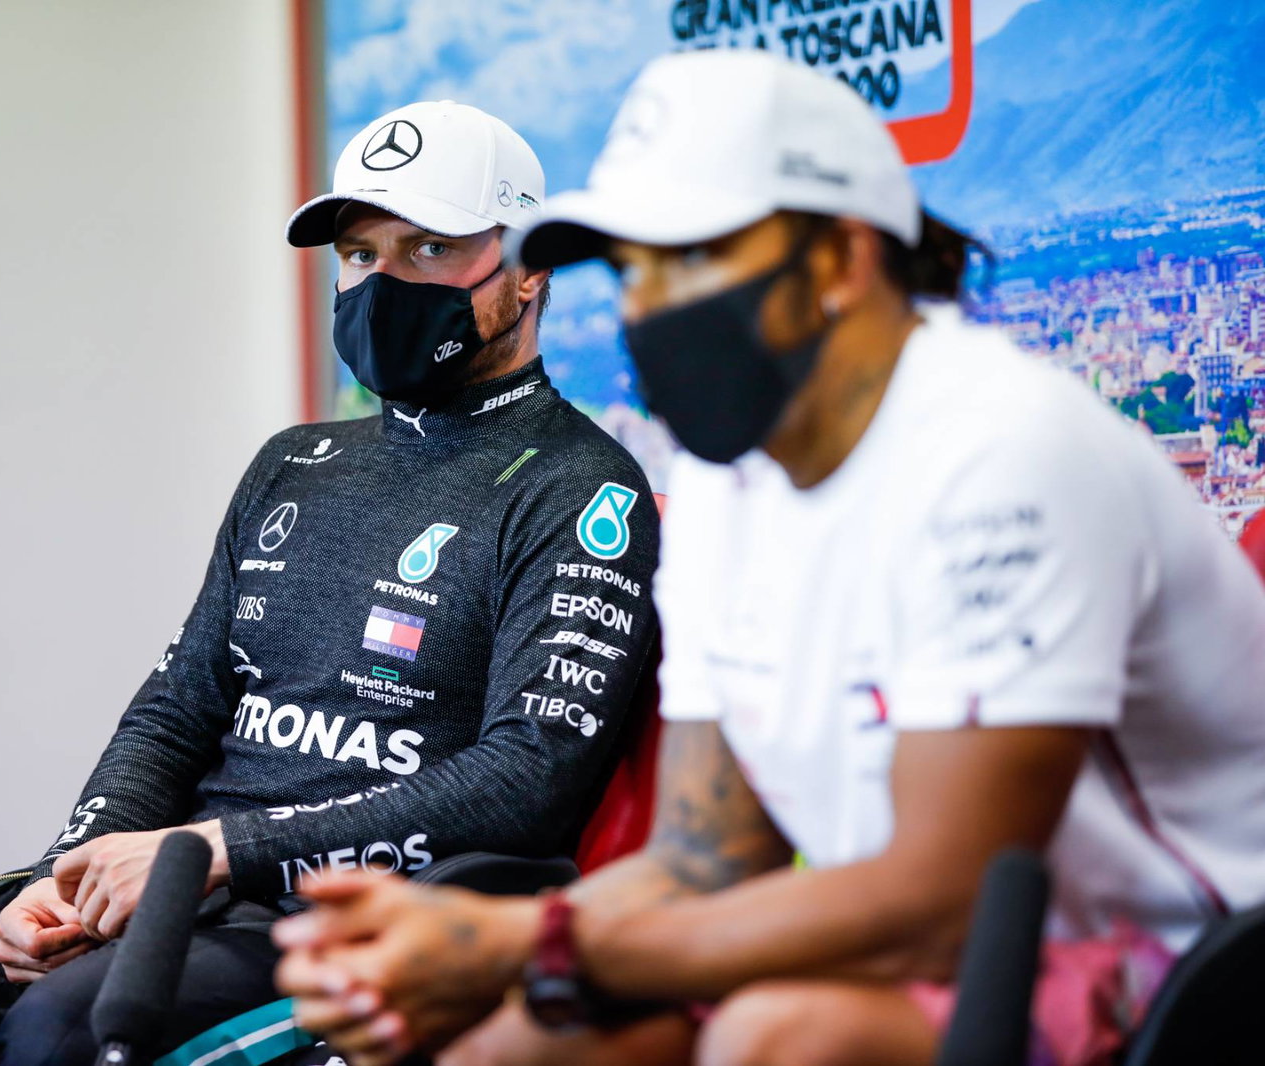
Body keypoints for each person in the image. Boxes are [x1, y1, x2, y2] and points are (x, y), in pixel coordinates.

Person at [273, 51, 1265, 1066]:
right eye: (632, 272)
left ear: (838, 258)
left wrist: (521, 940)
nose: (651, 305)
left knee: (773, 1039)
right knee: (512, 1045)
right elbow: (706, 857)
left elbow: (946, 901)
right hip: (896, 949)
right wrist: (448, 963)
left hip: (1188, 965)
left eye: (691, 258)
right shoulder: (724, 480)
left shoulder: (1004, 446)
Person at [0, 100, 660, 1066]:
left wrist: (223, 847)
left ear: (526, 268)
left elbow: (525, 779)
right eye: (360, 255)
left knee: (61, 1033)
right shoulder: (294, 462)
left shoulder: (581, 490)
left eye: (427, 250)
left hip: (350, 929)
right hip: (178, 892)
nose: (382, 283)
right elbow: (179, 704)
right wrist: (66, 875)